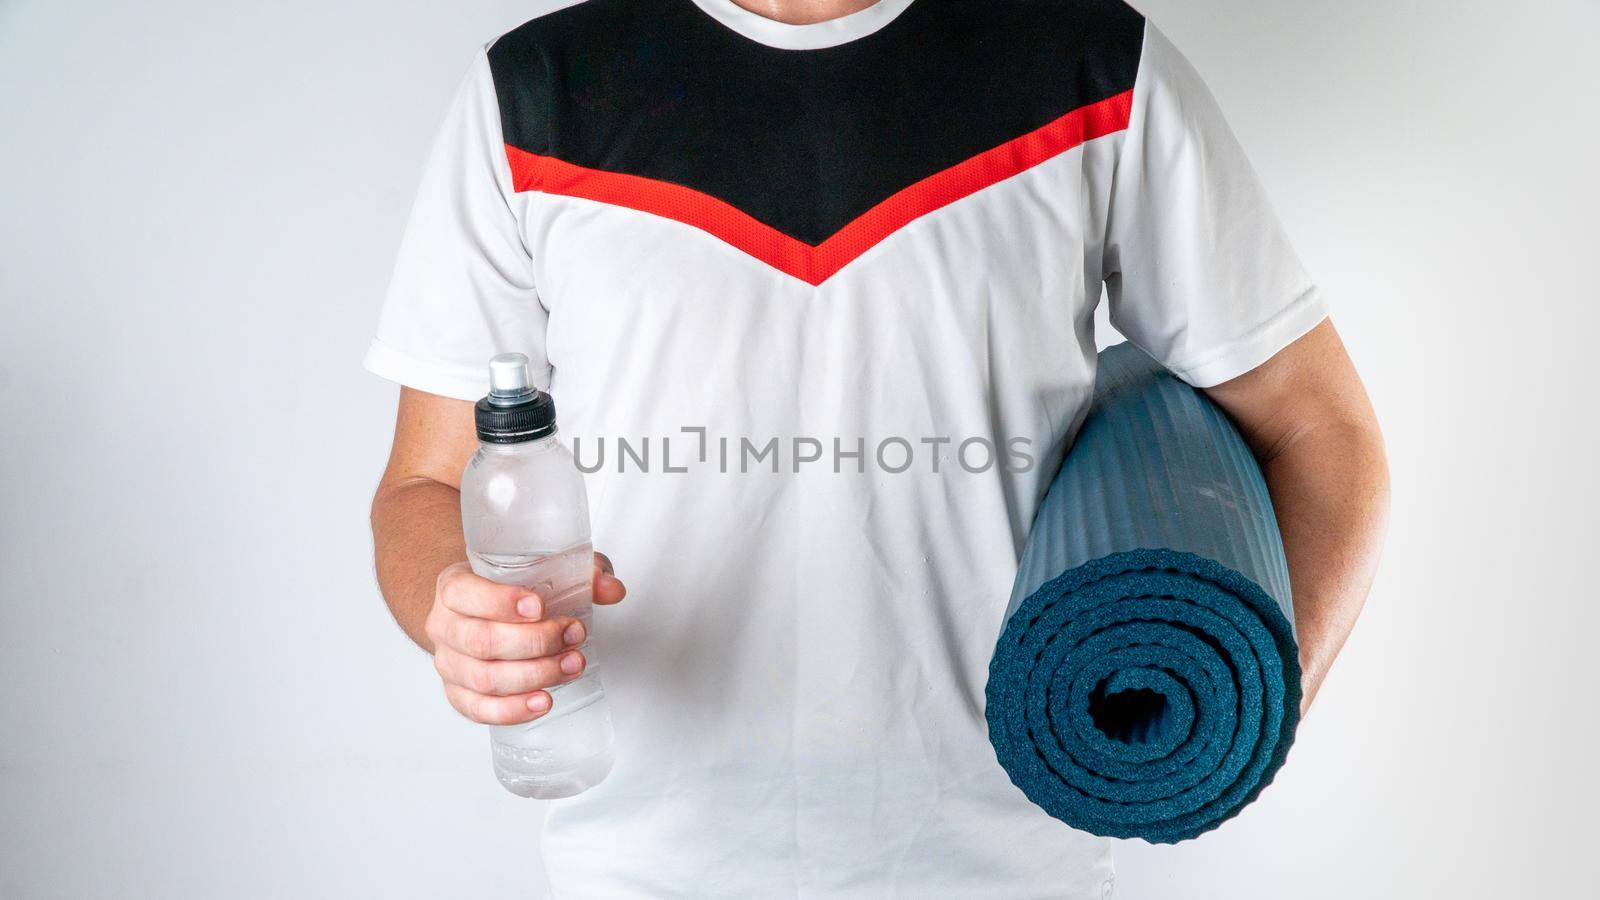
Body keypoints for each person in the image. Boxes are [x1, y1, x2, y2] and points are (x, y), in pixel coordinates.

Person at [364, 0, 1389, 896]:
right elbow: (426, 479)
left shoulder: (1089, 64)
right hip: (642, 863)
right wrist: (450, 608)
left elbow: (1319, 427)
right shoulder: (534, 94)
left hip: (1006, 868)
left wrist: (1235, 715)